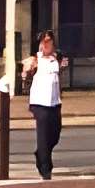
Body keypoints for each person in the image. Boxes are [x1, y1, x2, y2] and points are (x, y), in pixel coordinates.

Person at [27, 29, 64, 179]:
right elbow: (26, 71)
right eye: (44, 41)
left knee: (55, 134)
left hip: (55, 102)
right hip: (40, 103)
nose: (47, 44)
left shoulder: (57, 58)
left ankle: (41, 153)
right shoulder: (36, 59)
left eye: (49, 41)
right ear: (40, 44)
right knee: (42, 136)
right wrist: (26, 71)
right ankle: (45, 169)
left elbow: (59, 74)